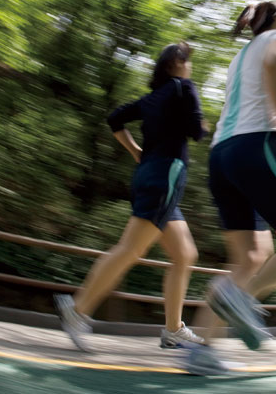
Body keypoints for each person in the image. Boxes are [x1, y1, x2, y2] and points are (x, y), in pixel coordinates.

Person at [186, 2, 276, 374]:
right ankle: (240, 299)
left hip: (222, 156)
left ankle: (201, 351)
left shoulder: (239, 57)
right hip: (257, 149)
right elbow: (275, 65)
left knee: (248, 258)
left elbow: (252, 109)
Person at [54, 41, 208, 351]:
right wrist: (203, 125)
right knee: (130, 248)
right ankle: (78, 309)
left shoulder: (150, 98)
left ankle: (173, 329)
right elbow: (197, 131)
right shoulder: (184, 88)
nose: (189, 65)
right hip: (167, 176)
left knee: (184, 254)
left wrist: (136, 151)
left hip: (148, 176)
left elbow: (114, 119)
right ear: (175, 64)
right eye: (186, 60)